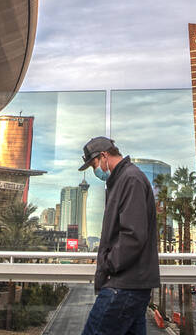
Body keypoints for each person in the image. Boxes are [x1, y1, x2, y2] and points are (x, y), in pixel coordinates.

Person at [78, 136, 160, 335]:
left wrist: (108, 263)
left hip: (124, 286)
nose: (94, 171)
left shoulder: (130, 179)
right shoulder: (123, 180)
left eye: (93, 164)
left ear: (104, 156)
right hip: (131, 285)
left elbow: (133, 235)